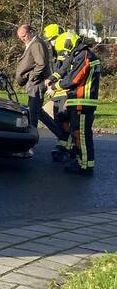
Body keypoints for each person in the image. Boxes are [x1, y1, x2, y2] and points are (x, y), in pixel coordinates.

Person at [52, 33, 101, 175]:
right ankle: (81, 161)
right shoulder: (80, 55)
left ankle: (85, 166)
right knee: (77, 134)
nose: (66, 53)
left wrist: (55, 86)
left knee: (82, 136)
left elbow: (73, 79)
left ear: (69, 45)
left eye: (65, 50)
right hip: (78, 101)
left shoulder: (84, 56)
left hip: (82, 102)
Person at [14, 24, 61, 152]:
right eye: (20, 37)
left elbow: (41, 64)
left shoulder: (37, 44)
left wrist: (31, 77)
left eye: (24, 36)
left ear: (30, 32)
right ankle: (63, 136)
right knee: (38, 112)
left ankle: (29, 145)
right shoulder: (32, 43)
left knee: (33, 115)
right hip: (34, 84)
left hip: (36, 84)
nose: (22, 39)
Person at [43, 24, 73, 161]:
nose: (52, 43)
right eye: (50, 40)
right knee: (58, 119)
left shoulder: (65, 50)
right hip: (59, 91)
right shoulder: (57, 51)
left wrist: (53, 86)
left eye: (53, 39)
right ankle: (62, 143)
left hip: (65, 90)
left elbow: (64, 71)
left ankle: (68, 147)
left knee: (64, 120)